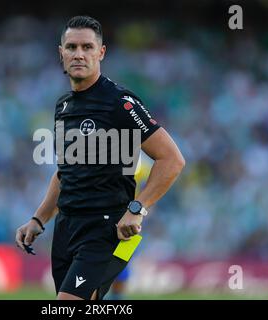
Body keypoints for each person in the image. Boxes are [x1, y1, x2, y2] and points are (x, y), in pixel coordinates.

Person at [15, 15, 185, 300]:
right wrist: (38, 218)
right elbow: (65, 173)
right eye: (71, 47)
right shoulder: (64, 106)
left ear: (101, 52)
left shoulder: (120, 102)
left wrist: (137, 208)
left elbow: (172, 159)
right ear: (61, 53)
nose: (78, 54)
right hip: (67, 227)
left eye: (87, 47)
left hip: (107, 227)